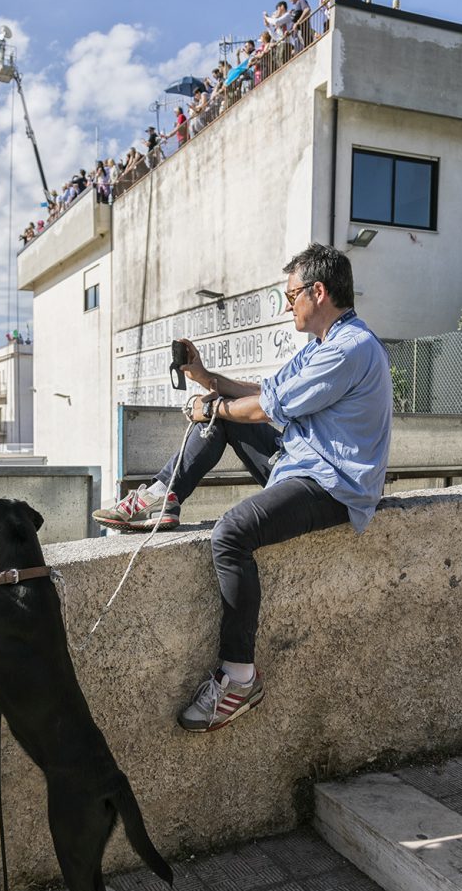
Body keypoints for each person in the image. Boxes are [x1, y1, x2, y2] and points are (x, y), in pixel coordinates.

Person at [93, 244, 393, 733]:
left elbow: (267, 411)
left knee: (231, 533)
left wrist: (209, 408)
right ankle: (161, 498)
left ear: (318, 292)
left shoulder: (349, 349)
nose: (287, 304)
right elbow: (264, 394)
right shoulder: (322, 345)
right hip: (305, 462)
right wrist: (206, 380)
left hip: (334, 484)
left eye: (291, 294)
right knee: (220, 414)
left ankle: (238, 678)